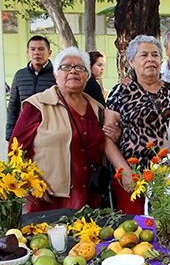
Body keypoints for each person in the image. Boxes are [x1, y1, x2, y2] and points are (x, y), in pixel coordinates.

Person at [11, 47, 105, 212]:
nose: (73, 71)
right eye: (66, 67)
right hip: (50, 199)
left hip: (89, 197)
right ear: (55, 74)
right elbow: (16, 149)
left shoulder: (97, 109)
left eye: (80, 68)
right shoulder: (37, 106)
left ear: (87, 76)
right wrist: (33, 181)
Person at [105, 35, 170, 214]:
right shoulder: (121, 91)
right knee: (134, 231)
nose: (150, 59)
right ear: (131, 61)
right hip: (134, 175)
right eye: (144, 55)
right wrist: (125, 171)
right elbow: (107, 139)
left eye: (155, 55)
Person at [6, 35, 56, 140]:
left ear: (49, 52)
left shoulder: (57, 75)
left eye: (41, 49)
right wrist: (10, 134)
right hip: (23, 129)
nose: (36, 52)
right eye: (33, 49)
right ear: (28, 52)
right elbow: (13, 107)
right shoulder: (20, 75)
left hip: (49, 131)